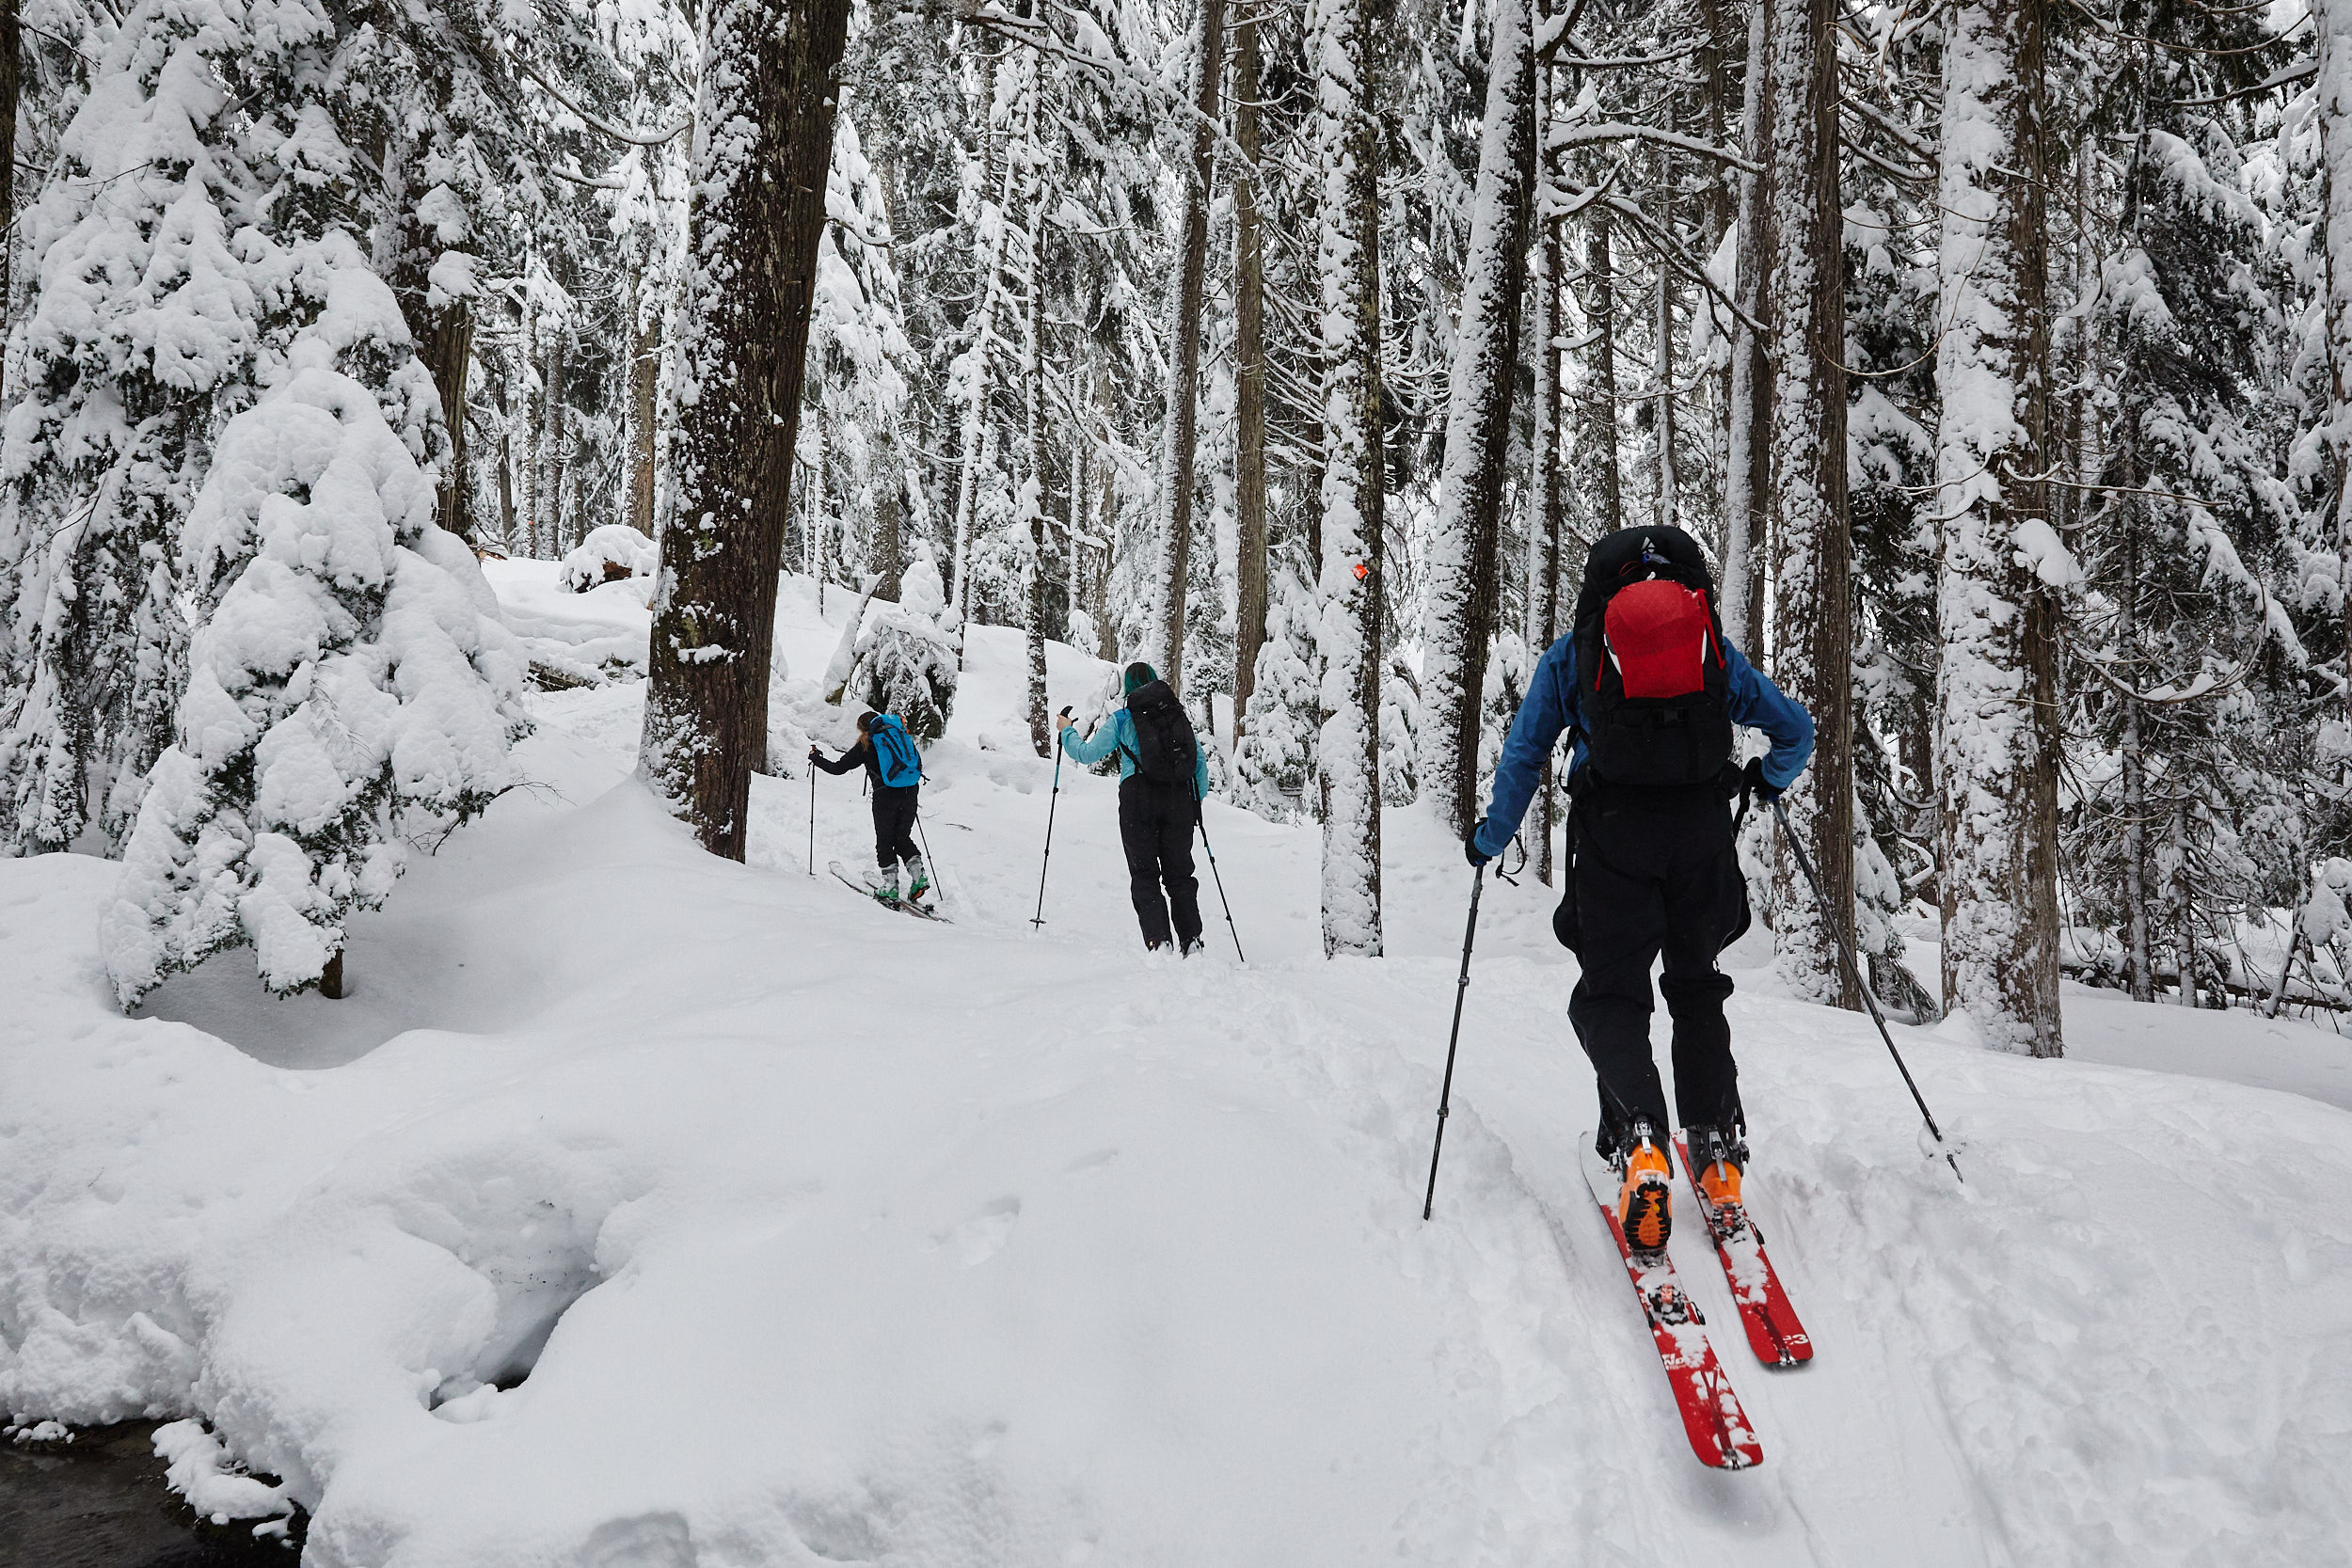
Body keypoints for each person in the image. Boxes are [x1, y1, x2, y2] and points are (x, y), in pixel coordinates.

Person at [1469, 525, 1813, 1254]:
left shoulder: (1576, 655)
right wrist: (1766, 780)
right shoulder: (1710, 650)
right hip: (1701, 836)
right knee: (1695, 987)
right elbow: (1796, 731)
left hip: (1613, 835)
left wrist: (1490, 839)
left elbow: (1526, 750)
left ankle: (1642, 1140)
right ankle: (1717, 1150)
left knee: (1611, 994)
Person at [1057, 662, 1214, 954]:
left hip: (1137, 800)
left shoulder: (1123, 719)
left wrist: (1067, 731)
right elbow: (1199, 764)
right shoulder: (1176, 716)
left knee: (1144, 874)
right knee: (1180, 875)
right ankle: (1191, 942)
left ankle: (1159, 943)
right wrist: (1194, 805)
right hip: (1178, 801)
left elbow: (1087, 753)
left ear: (1128, 688)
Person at [810, 710, 929, 906]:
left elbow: (838, 769)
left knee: (884, 841)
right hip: (910, 791)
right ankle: (919, 878)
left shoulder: (867, 743)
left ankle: (890, 887)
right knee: (902, 838)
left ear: (863, 728)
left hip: (885, 796)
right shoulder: (899, 736)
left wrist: (816, 759)